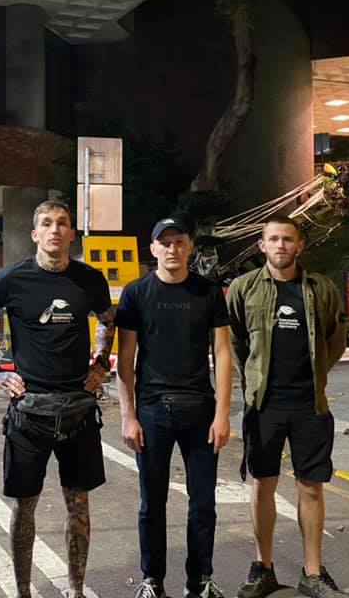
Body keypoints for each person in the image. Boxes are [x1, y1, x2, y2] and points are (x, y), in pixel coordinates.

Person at [0, 199, 115, 598]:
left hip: (78, 412)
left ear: (72, 234)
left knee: (79, 507)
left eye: (62, 223)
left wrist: (100, 363)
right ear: (35, 234)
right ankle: (23, 592)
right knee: (24, 507)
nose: (55, 229)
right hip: (29, 413)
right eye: (47, 224)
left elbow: (108, 321)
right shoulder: (11, 279)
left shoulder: (89, 280)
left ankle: (76, 590)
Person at [225, 215, 348, 598]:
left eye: (288, 239)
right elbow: (234, 341)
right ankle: (263, 568)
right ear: (262, 245)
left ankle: (313, 573)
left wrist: (315, 375)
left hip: (310, 405)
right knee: (263, 484)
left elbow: (336, 339)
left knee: (311, 487)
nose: (281, 245)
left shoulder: (321, 289)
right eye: (274, 239)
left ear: (300, 245)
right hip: (264, 406)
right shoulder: (244, 288)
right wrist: (254, 379)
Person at [115, 217, 234, 598]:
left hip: (200, 409)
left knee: (204, 504)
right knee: (152, 504)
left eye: (179, 242)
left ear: (189, 247)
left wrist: (223, 413)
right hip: (152, 412)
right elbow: (126, 359)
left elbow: (223, 353)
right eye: (164, 243)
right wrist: (128, 416)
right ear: (152, 248)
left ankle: (200, 581)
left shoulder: (208, 292)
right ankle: (152, 580)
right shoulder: (136, 293)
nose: (172, 249)